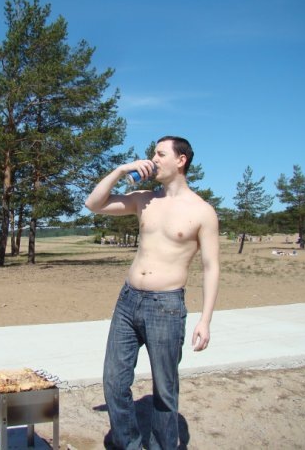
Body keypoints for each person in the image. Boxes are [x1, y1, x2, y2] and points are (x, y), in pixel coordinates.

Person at [85, 136, 219, 449]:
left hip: (166, 307)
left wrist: (205, 320)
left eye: (160, 154)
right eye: (152, 154)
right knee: (114, 382)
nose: (153, 159)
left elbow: (211, 267)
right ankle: (129, 444)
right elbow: (94, 204)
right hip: (128, 301)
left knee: (165, 391)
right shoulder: (144, 199)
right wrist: (121, 170)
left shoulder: (202, 211)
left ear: (181, 160)